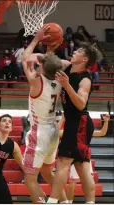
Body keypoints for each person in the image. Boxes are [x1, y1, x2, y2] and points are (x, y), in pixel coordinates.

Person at [22, 25, 69, 203]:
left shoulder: (36, 81)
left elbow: (25, 59)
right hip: (53, 132)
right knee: (48, 172)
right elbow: (55, 63)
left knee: (30, 180)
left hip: (39, 133)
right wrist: (51, 48)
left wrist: (36, 39)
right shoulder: (59, 80)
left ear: (41, 67)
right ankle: (65, 202)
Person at [47, 42, 98, 204]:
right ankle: (90, 202)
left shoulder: (85, 79)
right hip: (73, 123)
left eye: (79, 51)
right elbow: (48, 60)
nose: (74, 51)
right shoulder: (67, 66)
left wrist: (67, 86)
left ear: (84, 59)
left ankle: (53, 201)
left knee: (63, 162)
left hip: (80, 123)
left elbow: (81, 104)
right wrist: (47, 46)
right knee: (82, 166)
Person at [58, 114, 110, 203]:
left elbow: (102, 133)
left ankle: (89, 202)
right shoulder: (69, 132)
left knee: (86, 183)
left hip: (84, 157)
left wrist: (106, 122)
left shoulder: (85, 132)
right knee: (72, 184)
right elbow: (57, 131)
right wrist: (62, 118)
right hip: (72, 157)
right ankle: (69, 202)